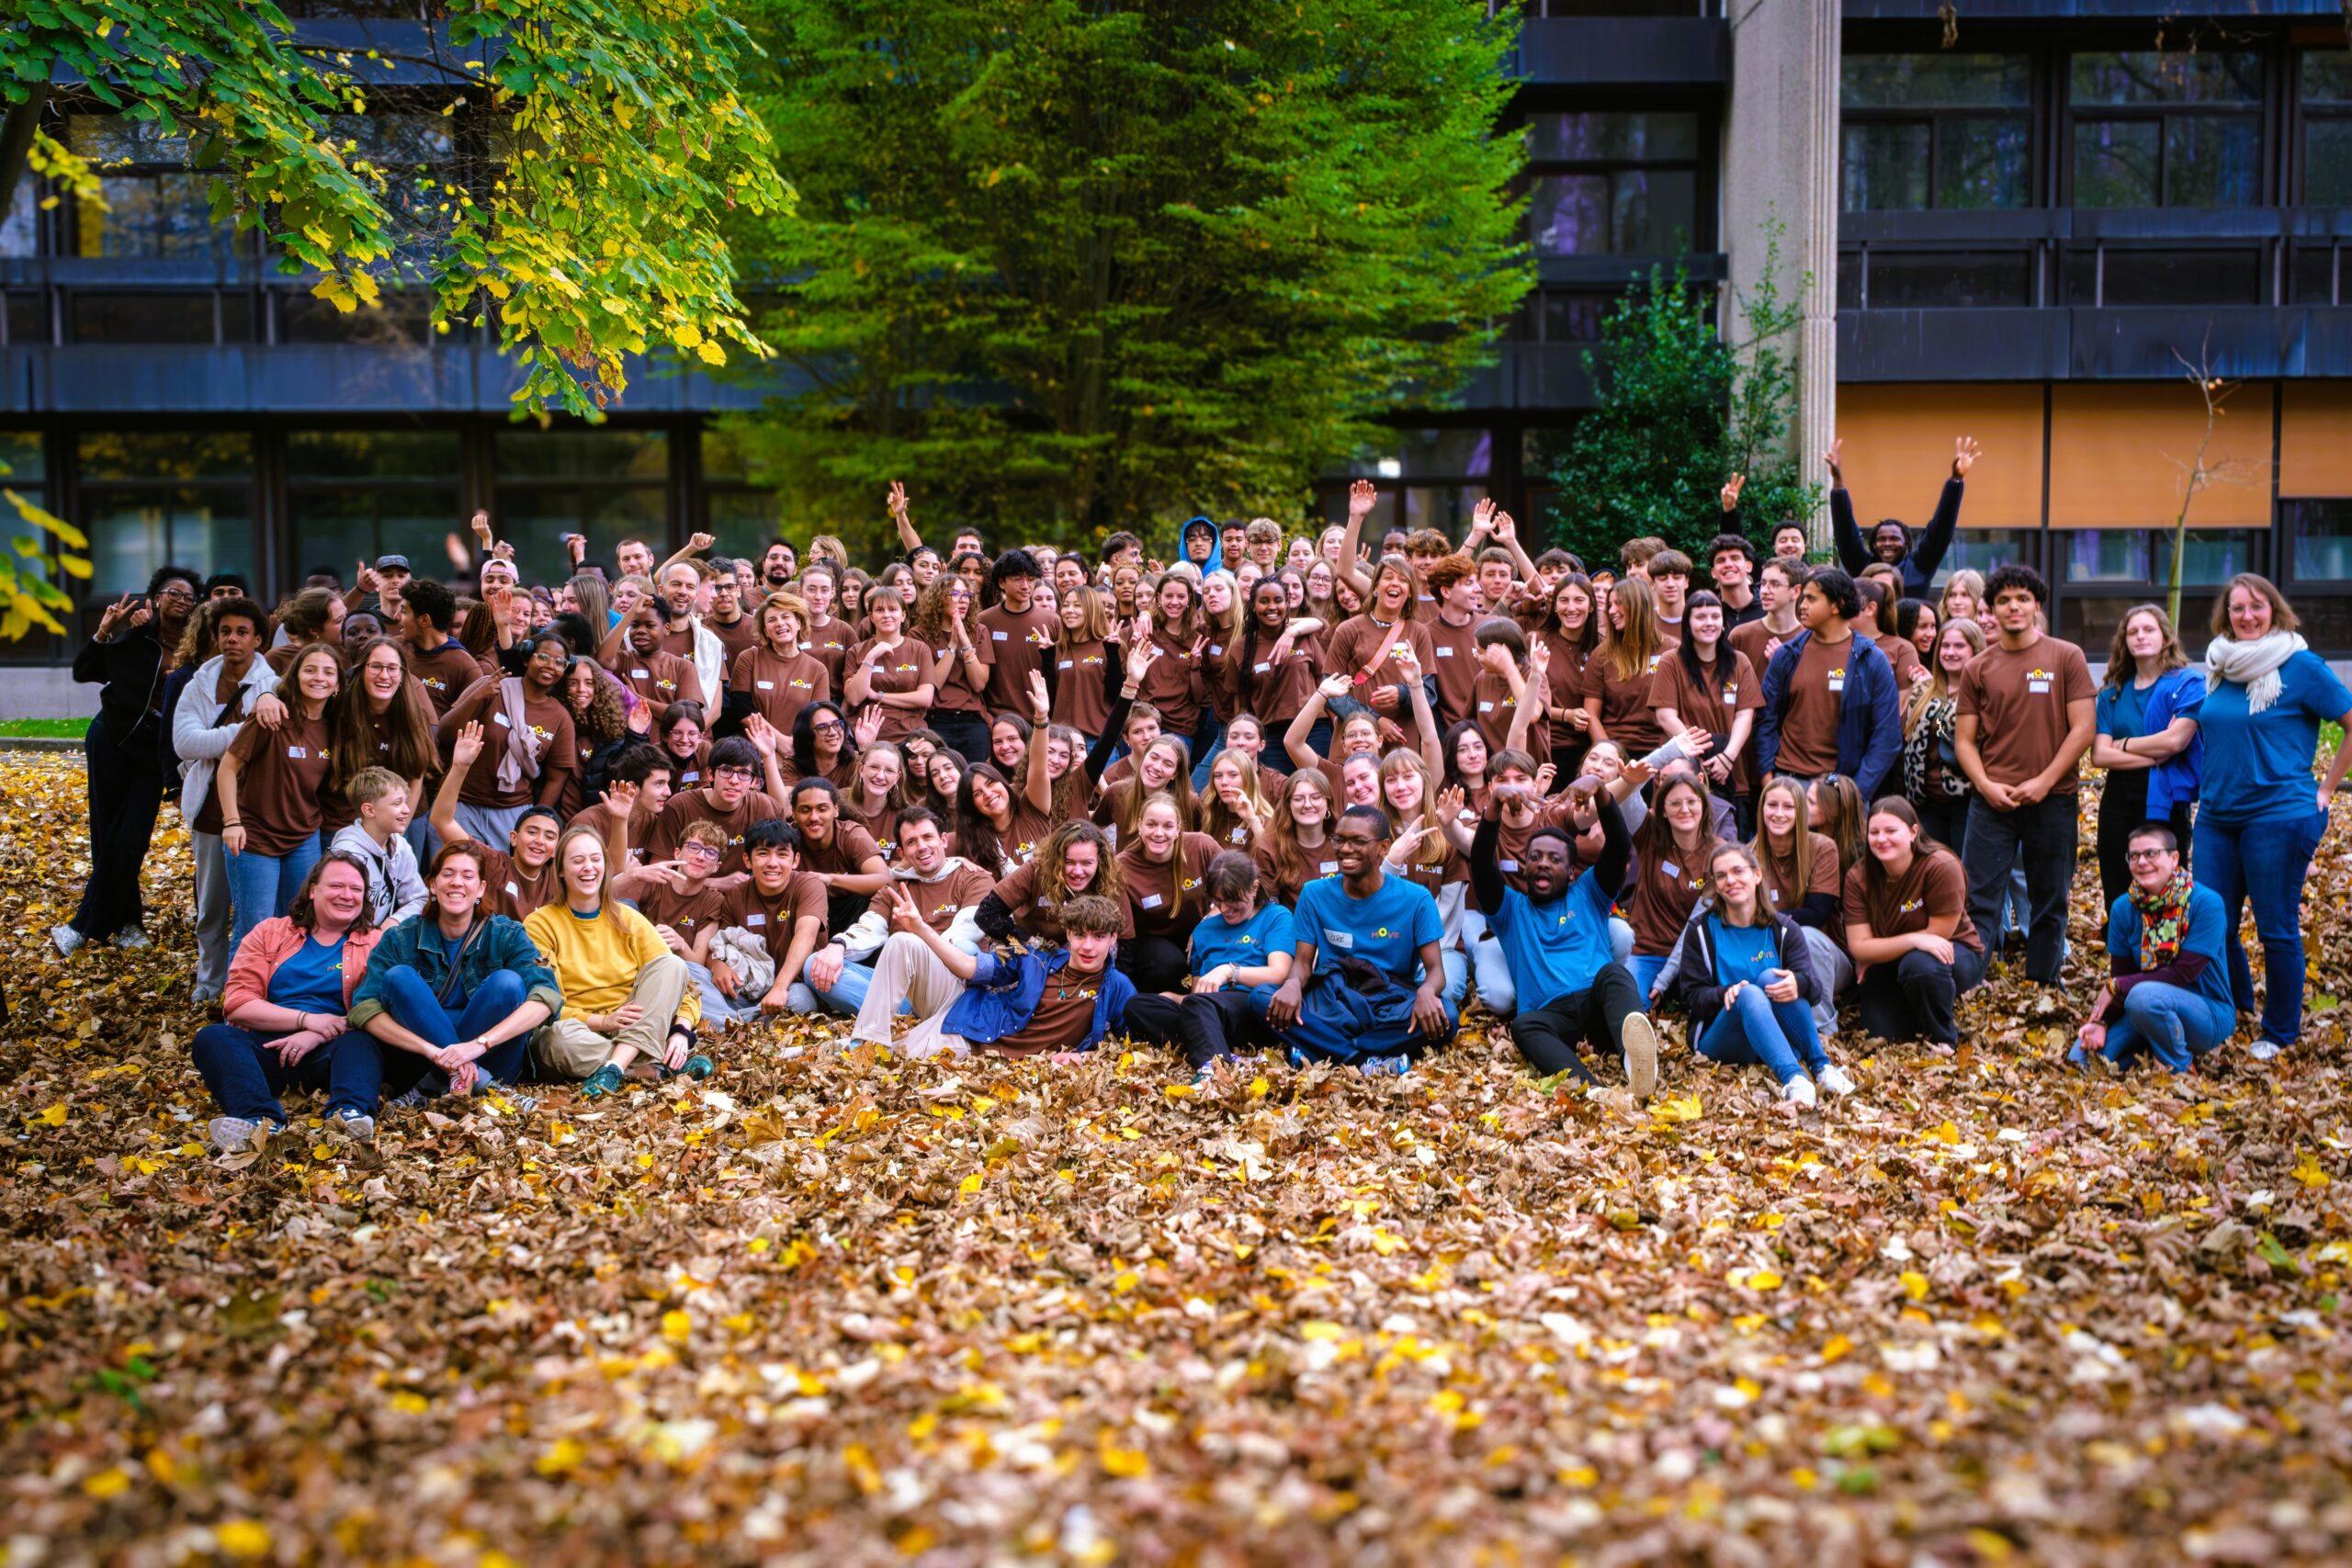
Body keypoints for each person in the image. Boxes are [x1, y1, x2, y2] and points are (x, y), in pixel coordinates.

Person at [2192, 572, 2352, 1059]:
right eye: (2237, 608)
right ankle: (2235, 1007)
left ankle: (2279, 1031)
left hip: (2278, 815)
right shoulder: (2219, 663)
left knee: (2275, 927)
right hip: (2216, 816)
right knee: (2213, 923)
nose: (2247, 616)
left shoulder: (2300, 665)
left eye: (2257, 606)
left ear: (2275, 609)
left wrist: (2327, 787)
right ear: (2226, 614)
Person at [1468, 768, 1659, 1096]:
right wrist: (1493, 807)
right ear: (1525, 868)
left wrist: (1601, 791)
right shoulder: (1509, 910)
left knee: (1614, 973)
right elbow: (1482, 864)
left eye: (1554, 858)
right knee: (1523, 1025)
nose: (1543, 863)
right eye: (1535, 857)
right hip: (1551, 1017)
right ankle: (1593, 1092)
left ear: (1571, 873)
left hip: (1598, 1008)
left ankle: (1638, 1064)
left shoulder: (1589, 892)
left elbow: (1619, 845)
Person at [1951, 564, 2095, 985]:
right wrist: (1985, 785)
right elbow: (1964, 741)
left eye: (2022, 599)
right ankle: (1970, 981)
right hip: (1991, 802)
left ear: (2036, 605)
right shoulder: (1978, 668)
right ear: (1991, 610)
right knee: (1979, 898)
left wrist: (2044, 781)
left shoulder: (2066, 656)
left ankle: (2042, 984)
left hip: (2053, 798)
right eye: (2003, 601)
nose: (2013, 607)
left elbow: (2083, 729)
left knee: (2050, 898)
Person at [55, 566, 203, 957]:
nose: (181, 600)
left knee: (132, 838)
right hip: (111, 738)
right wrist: (105, 631)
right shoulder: (136, 637)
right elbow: (85, 671)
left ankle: (81, 926)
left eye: (189, 597)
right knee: (108, 834)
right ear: (156, 598)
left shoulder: (198, 649)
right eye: (174, 593)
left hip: (153, 750)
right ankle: (128, 923)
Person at [193, 852, 386, 1151]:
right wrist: (307, 1020)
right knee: (213, 1037)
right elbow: (239, 1003)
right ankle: (259, 1119)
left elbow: (378, 1009)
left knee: (362, 1041)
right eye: (336, 886)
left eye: (356, 889)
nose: (347, 895)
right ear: (313, 890)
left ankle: (348, 1115)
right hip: (267, 1048)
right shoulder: (270, 932)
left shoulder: (374, 942)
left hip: (334, 1052)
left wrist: (317, 1033)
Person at [347, 839, 560, 1106]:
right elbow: (364, 1008)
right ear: (433, 885)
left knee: (507, 983)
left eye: (467, 876)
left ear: (481, 888)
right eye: (448, 874)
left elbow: (546, 996)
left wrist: (478, 1045)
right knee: (399, 978)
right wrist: (433, 1052)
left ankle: (441, 1082)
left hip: (494, 1062)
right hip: (421, 1065)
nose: (457, 882)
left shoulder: (507, 934)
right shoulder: (401, 938)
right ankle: (475, 1081)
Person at [1264, 805, 1457, 1076]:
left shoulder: (1417, 899)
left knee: (1448, 1015)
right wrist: (1293, 983)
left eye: (1358, 841)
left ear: (1383, 847)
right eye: (1339, 840)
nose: (1345, 849)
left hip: (1391, 998)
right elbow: (1303, 962)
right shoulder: (1314, 893)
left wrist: (1427, 991)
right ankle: (1365, 1060)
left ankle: (1320, 1047)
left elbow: (1435, 970)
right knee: (1261, 997)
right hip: (1332, 998)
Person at [525, 825, 706, 1096]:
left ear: (605, 867)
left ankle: (615, 1069)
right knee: (555, 1040)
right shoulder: (540, 924)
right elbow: (550, 1005)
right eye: (578, 860)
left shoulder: (627, 917)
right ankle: (653, 1069)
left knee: (673, 964)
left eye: (595, 859)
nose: (588, 867)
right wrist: (603, 1021)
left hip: (634, 1023)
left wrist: (682, 1030)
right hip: (583, 1030)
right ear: (560, 869)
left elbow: (684, 984)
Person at [1663, 843, 1850, 1105]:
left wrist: (1799, 983)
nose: (1731, 880)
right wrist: (1725, 994)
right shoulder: (1701, 930)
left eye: (1738, 871)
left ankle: (1822, 1068)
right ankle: (1795, 1080)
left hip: (1774, 1036)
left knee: (1775, 978)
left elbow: (1815, 988)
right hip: (1722, 1040)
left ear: (1757, 875)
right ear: (1715, 885)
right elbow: (1692, 996)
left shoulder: (1784, 929)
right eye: (1721, 876)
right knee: (1749, 993)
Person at [848, 890, 1134, 1059]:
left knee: (899, 1059)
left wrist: (1082, 1057)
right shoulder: (1037, 957)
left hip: (977, 1042)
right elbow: (971, 968)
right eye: (1080, 935)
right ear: (1068, 934)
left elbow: (1131, 1048)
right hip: (972, 1017)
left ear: (1113, 938)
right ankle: (865, 1041)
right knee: (903, 942)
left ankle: (862, 1050)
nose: (1088, 946)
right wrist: (921, 928)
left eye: (1099, 936)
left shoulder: (1117, 987)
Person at [171, 593, 277, 1000]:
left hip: (259, 811)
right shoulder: (198, 683)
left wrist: (216, 740)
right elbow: (185, 742)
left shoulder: (274, 686)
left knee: (256, 909)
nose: (232, 639)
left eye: (242, 632)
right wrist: (246, 732)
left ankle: (251, 985)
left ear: (258, 640)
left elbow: (273, 745)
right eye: (225, 631)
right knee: (211, 906)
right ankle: (210, 983)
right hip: (210, 812)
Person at [2072, 824, 2235, 1076]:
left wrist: (2116, 986)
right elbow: (2122, 976)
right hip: (2145, 1009)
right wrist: (2102, 1022)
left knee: (2143, 997)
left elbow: (2183, 973)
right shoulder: (2123, 908)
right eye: (2134, 856)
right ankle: (2152, 1051)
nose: (2141, 862)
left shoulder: (2206, 903)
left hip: (2206, 1012)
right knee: (2081, 1058)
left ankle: (2178, 1066)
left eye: (2151, 853)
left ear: (2174, 858)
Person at [215, 640, 343, 953]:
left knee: (296, 925)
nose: (319, 678)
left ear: (338, 685)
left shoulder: (336, 726)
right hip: (255, 838)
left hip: (303, 838)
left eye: (328, 672)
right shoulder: (272, 716)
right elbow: (227, 769)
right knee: (254, 930)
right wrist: (232, 822)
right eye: (310, 670)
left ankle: (281, 985)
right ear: (295, 676)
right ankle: (242, 987)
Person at [805, 807, 993, 1015]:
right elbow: (870, 928)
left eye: (928, 837)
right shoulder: (893, 888)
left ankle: (892, 1013)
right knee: (814, 965)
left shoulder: (974, 878)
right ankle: (901, 1015)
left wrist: (922, 951)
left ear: (943, 840)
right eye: (911, 842)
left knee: (966, 948)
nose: (922, 847)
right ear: (902, 853)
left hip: (948, 983)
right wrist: (839, 945)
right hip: (904, 988)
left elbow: (969, 929)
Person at [1122, 852, 1295, 1077]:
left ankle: (1213, 1072)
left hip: (1251, 1005)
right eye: (1218, 901)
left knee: (1199, 1006)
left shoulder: (1276, 916)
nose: (1224, 908)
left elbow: (1279, 973)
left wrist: (1229, 971)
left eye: (1232, 900)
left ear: (1254, 888)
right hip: (1206, 1009)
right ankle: (1225, 1054)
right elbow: (1197, 992)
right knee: (1137, 1006)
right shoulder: (1204, 930)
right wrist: (1174, 998)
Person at [1842, 797, 1985, 1045]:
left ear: (1913, 832)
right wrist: (1913, 939)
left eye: (1891, 831)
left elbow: (1938, 935)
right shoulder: (1858, 877)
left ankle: (1943, 1039)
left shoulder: (1940, 865)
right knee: (1881, 1034)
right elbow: (1859, 947)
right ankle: (1916, 1012)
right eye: (1874, 832)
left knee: (1920, 965)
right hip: (1894, 961)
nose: (1881, 839)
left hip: (1952, 951)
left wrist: (1877, 951)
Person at [1754, 568, 1902, 803]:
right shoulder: (1787, 654)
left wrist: (1855, 793)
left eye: (1811, 599)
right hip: (1787, 782)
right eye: (1803, 598)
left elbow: (1887, 736)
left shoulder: (1872, 660)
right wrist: (1768, 779)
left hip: (1840, 786)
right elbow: (1765, 720)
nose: (1802, 605)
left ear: (1837, 605)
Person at [2090, 604, 2203, 910]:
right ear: (2124, 641)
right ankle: (2123, 941)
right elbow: (2099, 755)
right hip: (2119, 796)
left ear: (2165, 636)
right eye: (2133, 632)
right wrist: (2155, 755)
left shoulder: (2186, 684)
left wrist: (2124, 744)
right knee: (2117, 885)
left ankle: (2168, 942)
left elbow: (2176, 741)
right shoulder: (2112, 692)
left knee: (2165, 887)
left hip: (2166, 794)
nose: (2140, 636)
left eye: (2149, 629)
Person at [433, 629, 579, 846]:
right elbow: (445, 734)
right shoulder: (493, 688)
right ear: (527, 657)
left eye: (559, 662)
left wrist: (536, 820)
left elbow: (556, 779)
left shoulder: (561, 718)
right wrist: (477, 697)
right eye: (543, 657)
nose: (550, 665)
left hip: (512, 813)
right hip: (462, 803)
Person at [1652, 590, 1761, 834]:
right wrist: (1698, 759)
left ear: (1723, 623)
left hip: (1730, 771)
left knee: (1730, 844)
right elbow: (1665, 716)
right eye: (1700, 617)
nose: (1709, 623)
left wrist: (1727, 758)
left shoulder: (1739, 661)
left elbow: (1745, 714)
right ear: (1687, 623)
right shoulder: (1671, 661)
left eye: (1715, 616)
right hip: (1683, 768)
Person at [698, 818, 830, 1022]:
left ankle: (734, 1022)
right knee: (693, 973)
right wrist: (717, 965)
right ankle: (750, 1020)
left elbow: (806, 934)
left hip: (792, 986)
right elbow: (720, 944)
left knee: (799, 1001)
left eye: (782, 854)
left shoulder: (809, 885)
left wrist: (779, 988)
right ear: (747, 860)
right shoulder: (736, 894)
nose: (772, 863)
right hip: (749, 986)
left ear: (795, 860)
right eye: (763, 853)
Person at [430, 724, 564, 919]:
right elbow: (442, 821)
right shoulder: (495, 864)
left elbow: (605, 874)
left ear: (556, 849)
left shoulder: (558, 878)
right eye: (532, 832)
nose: (539, 840)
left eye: (549, 836)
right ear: (514, 838)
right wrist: (460, 767)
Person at [1825, 434, 1980, 598]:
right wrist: (1837, 483)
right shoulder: (1862, 566)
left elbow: (1941, 528)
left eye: (1894, 538)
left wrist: (1956, 480)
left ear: (1905, 543)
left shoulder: (1920, 566)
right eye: (1881, 539)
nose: (1887, 543)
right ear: (1874, 544)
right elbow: (1845, 532)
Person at [1116, 794, 1225, 993]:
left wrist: (1208, 922)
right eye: (1151, 825)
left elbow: (1238, 887)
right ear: (1139, 825)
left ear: (1178, 829)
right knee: (1167, 965)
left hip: (1201, 930)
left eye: (1167, 826)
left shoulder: (1201, 846)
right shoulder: (1122, 867)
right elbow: (1125, 936)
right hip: (1153, 942)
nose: (1159, 833)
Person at [1899, 615, 1987, 853]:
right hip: (1925, 801)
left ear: (1975, 649)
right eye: (1945, 646)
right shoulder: (1922, 690)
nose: (1950, 652)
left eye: (1959, 646)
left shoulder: (1986, 692)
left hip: (1967, 801)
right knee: (1930, 868)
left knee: (1965, 870)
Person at [327, 766, 428, 928]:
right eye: (397, 803)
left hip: (382, 936)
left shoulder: (401, 847)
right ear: (369, 810)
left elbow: (419, 898)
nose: (407, 810)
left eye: (405, 802)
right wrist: (368, 938)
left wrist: (395, 920)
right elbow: (335, 915)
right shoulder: (346, 854)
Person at [726, 591, 831, 739]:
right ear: (765, 631)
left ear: (798, 623)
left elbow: (819, 717)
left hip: (799, 747)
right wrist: (781, 742)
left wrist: (795, 744)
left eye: (785, 617)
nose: (780, 623)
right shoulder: (749, 658)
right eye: (772, 620)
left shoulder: (817, 669)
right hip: (755, 747)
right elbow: (743, 710)